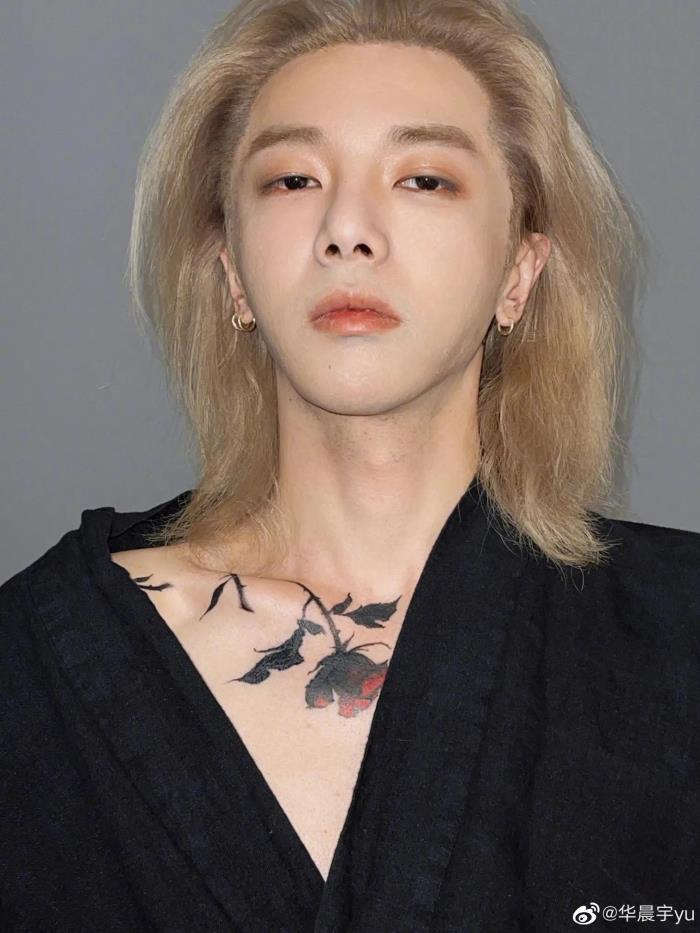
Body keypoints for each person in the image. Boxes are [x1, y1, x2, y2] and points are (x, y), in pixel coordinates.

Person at [2, 0, 699, 930]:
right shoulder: (28, 673)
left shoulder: (678, 638)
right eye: (292, 179)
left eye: (423, 178)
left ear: (519, 271)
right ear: (233, 272)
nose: (348, 230)